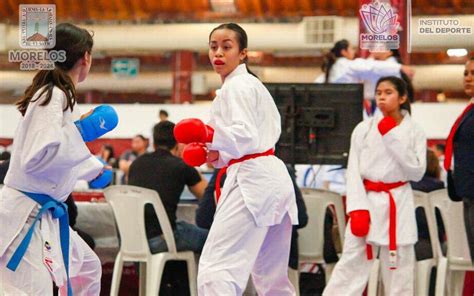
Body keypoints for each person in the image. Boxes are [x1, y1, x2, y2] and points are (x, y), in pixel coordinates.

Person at [173, 23, 299, 295]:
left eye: (226, 47)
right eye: (213, 46)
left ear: (243, 54)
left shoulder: (238, 86)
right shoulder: (247, 85)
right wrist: (214, 153)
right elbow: (245, 141)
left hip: (252, 180)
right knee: (271, 277)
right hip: (272, 179)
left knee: (217, 267)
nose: (218, 53)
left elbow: (245, 135)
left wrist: (208, 134)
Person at [0, 23, 116, 295]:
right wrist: (82, 132)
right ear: (86, 58)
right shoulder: (52, 94)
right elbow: (37, 157)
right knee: (30, 290)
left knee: (87, 268)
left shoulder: (58, 95)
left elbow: (58, 151)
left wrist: (94, 170)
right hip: (24, 218)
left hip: (42, 214)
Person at [323, 76, 427, 295]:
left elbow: (416, 172)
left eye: (388, 92)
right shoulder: (363, 128)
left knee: (399, 267)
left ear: (402, 97)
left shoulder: (415, 131)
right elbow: (353, 171)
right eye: (379, 92)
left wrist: (391, 136)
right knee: (351, 263)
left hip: (398, 201)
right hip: (368, 201)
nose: (381, 97)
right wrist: (357, 208)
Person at [195, 164, 308, 272]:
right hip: (279, 262)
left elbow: (203, 219)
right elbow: (301, 219)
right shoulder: (281, 170)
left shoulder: (225, 172)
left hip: (234, 261)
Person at [128, 121, 209, 255]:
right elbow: (206, 196)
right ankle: (197, 276)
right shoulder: (181, 166)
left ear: (153, 144)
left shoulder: (136, 164)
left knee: (182, 227)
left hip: (133, 239)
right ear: (178, 144)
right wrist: (190, 161)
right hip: (162, 239)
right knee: (212, 239)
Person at [445, 57, 474, 262]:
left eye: (473, 74)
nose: (468, 79)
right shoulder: (469, 110)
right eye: (466, 74)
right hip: (467, 190)